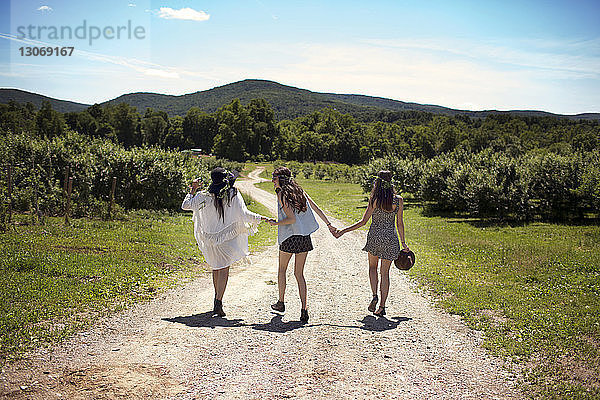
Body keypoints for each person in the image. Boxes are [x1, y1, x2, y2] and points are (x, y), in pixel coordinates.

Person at [182, 167, 270, 317]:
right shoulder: (233, 193)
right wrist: (263, 218)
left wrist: (193, 189)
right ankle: (218, 301)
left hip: (210, 240)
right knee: (223, 269)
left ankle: (217, 299)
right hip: (226, 239)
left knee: (216, 268)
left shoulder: (204, 195)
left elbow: (185, 205)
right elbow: (244, 214)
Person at [332, 170, 410, 317]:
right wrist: (403, 243)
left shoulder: (374, 199)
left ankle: (374, 295)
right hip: (390, 238)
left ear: (378, 183)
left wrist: (342, 231)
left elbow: (363, 222)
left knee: (372, 267)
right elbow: (400, 223)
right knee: (385, 273)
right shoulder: (398, 200)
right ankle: (382, 307)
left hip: (374, 237)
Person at [268, 167, 335, 323]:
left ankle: (281, 302)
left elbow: (291, 219)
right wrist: (329, 224)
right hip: (304, 237)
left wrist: (275, 223)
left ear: (281, 179)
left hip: (289, 237)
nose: (272, 180)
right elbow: (316, 208)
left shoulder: (282, 194)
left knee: (282, 270)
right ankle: (304, 309)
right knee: (299, 274)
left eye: (274, 177)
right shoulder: (299, 191)